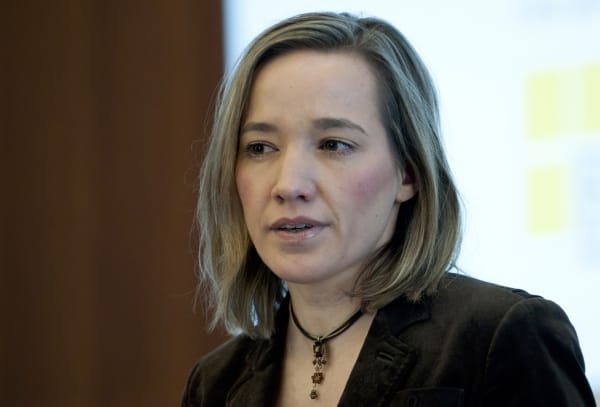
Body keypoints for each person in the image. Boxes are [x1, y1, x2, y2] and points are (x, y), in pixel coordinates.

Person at [182, 11, 595, 407]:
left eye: (333, 144)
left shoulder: (500, 338)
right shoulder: (215, 383)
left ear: (409, 172)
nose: (289, 185)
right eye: (260, 148)